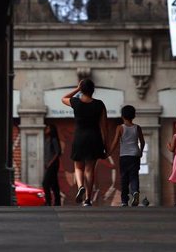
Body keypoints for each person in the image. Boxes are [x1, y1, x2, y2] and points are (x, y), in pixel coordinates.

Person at [61, 79, 108, 207]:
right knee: (90, 169)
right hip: (94, 138)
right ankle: (87, 199)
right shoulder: (99, 104)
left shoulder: (76, 102)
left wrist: (77, 89)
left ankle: (80, 186)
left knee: (78, 167)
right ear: (93, 90)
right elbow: (104, 127)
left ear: (82, 89)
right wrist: (106, 145)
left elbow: (63, 98)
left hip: (79, 138)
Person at [108, 105, 145, 207]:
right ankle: (135, 192)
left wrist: (109, 152)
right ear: (134, 116)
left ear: (122, 116)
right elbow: (142, 141)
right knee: (134, 176)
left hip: (124, 156)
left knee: (124, 178)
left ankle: (124, 201)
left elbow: (115, 142)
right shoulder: (137, 128)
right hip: (135, 155)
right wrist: (141, 151)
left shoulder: (120, 128)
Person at [42, 123, 62, 206]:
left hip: (53, 164)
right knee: (54, 184)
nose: (46, 129)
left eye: (48, 128)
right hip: (48, 164)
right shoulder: (47, 139)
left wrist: (50, 163)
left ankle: (48, 201)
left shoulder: (53, 139)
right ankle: (57, 202)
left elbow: (57, 153)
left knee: (45, 183)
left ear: (51, 130)